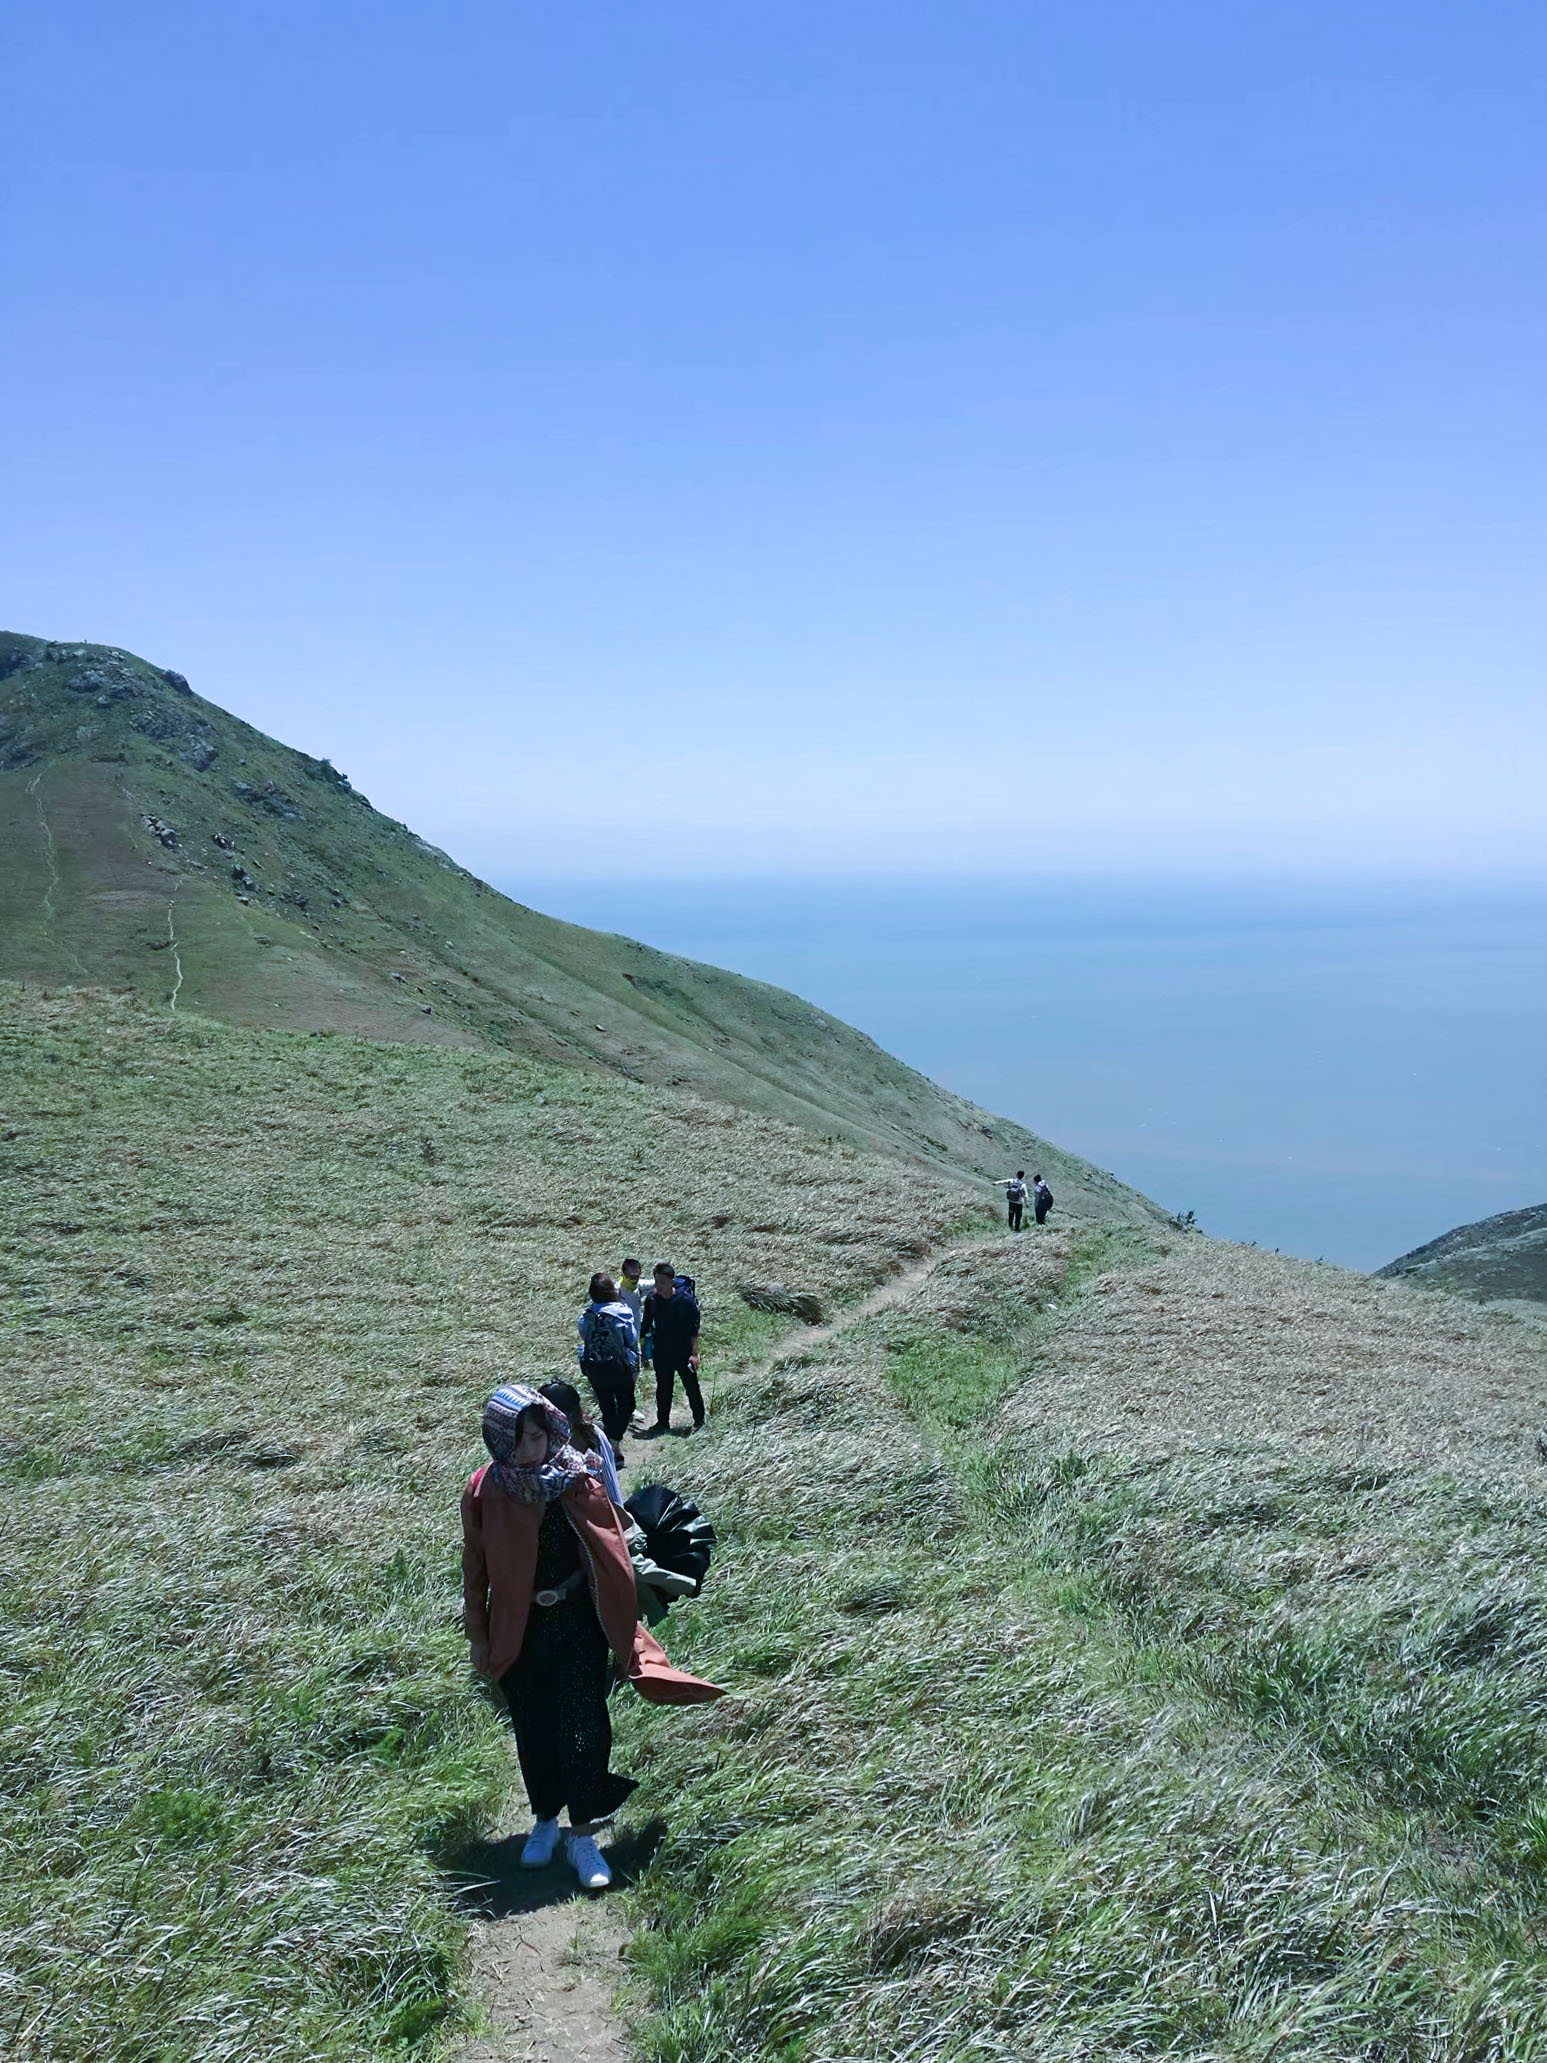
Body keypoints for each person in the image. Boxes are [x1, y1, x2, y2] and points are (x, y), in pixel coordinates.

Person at [462, 1384, 723, 1890]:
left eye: (537, 1437)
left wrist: (626, 1622)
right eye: (518, 1441)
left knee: (583, 1724)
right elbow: (475, 1570)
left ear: (551, 1431)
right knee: (532, 1725)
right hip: (518, 1630)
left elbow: (612, 1555)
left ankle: (582, 1836)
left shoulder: (578, 1479)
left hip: (578, 1623)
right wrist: (478, 1635)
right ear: (498, 1440)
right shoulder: (484, 1490)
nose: (529, 1450)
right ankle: (544, 1820)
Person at [577, 1272, 640, 1452]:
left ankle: (611, 1445)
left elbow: (584, 1336)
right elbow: (631, 1338)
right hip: (619, 1367)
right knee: (626, 1405)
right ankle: (614, 1441)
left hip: (594, 1367)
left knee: (607, 1407)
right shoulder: (621, 1312)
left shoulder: (586, 1315)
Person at [539, 1377, 625, 1504]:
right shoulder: (540, 1447)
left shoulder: (593, 1435)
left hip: (599, 1512)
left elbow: (610, 1482)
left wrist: (617, 1515)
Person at [641, 1261, 703, 1434]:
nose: (659, 1286)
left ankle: (699, 1421)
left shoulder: (685, 1301)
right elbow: (645, 1326)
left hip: (683, 1352)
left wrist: (694, 1354)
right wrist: (644, 1352)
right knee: (663, 1388)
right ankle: (662, 1422)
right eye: (656, 1281)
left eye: (662, 1281)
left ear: (671, 1280)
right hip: (661, 1351)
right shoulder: (652, 1300)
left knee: (691, 1387)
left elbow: (694, 1330)